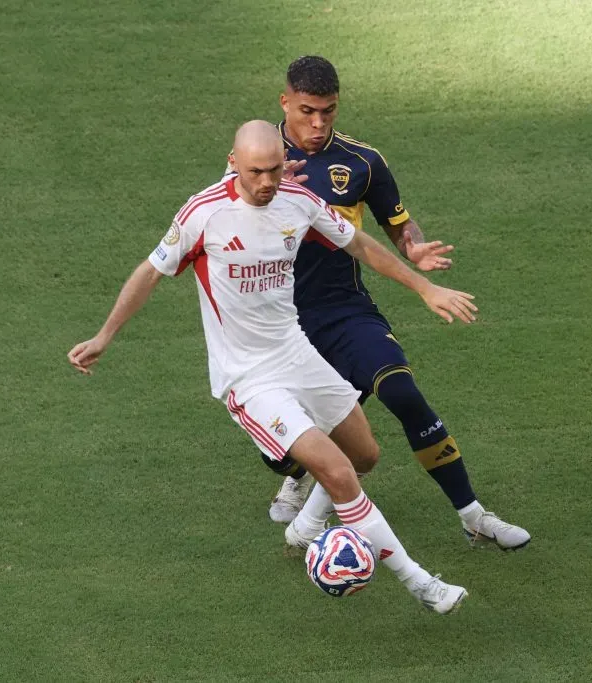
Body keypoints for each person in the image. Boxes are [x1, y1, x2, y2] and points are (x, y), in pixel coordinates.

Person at [68, 121, 477, 613]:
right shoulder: (204, 213)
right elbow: (150, 272)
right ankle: (422, 584)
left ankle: (305, 527)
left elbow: (360, 245)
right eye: (256, 171)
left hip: (298, 354)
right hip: (249, 378)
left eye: (275, 169)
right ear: (233, 163)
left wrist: (425, 287)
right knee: (339, 472)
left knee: (365, 456)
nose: (266, 182)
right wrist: (104, 335)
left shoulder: (296, 199)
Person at [255, 56, 531, 551]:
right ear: (285, 103)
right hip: (281, 326)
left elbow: (397, 223)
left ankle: (472, 515)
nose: (318, 124)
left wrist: (413, 246)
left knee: (403, 394)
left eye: (329, 112)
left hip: (346, 312)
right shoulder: (257, 160)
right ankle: (296, 475)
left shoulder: (363, 163)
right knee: (286, 451)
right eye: (307, 111)